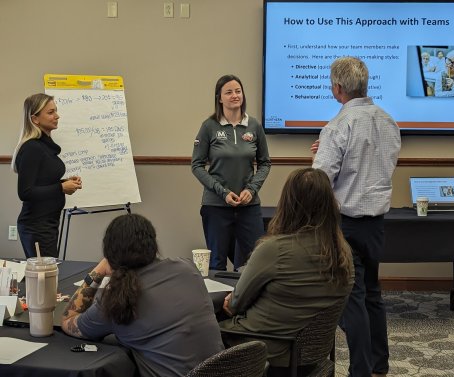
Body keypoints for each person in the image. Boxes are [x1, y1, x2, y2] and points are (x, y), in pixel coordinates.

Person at [311, 56, 401, 377]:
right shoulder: (389, 121)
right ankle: (379, 366)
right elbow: (381, 163)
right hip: (376, 225)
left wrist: (323, 152)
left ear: (337, 88)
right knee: (373, 295)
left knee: (353, 300)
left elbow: (320, 180)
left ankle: (360, 372)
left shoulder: (337, 126)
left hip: (345, 225)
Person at [220, 168, 354, 377]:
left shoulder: (274, 249)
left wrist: (233, 303)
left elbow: (234, 305)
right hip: (311, 355)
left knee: (198, 329)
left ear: (288, 203)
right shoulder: (342, 253)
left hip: (264, 353)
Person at [61, 213, 224, 377]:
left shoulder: (116, 299)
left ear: (109, 253)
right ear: (153, 244)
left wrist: (99, 270)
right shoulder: (187, 268)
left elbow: (68, 321)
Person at [191, 74, 271, 271]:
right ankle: (220, 302)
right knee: (217, 264)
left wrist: (251, 190)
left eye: (238, 91)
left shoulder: (254, 126)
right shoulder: (209, 126)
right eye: (229, 92)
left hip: (248, 206)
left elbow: (265, 163)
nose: (235, 95)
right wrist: (222, 192)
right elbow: (197, 165)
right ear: (219, 98)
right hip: (216, 206)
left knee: (254, 263)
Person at [12, 93, 82, 258]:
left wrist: (64, 183)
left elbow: (42, 182)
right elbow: (25, 192)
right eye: (50, 112)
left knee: (48, 277)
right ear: (35, 119)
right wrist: (60, 187)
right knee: (44, 279)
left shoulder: (43, 147)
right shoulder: (32, 148)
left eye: (55, 111)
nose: (57, 116)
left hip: (48, 223)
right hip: (36, 226)